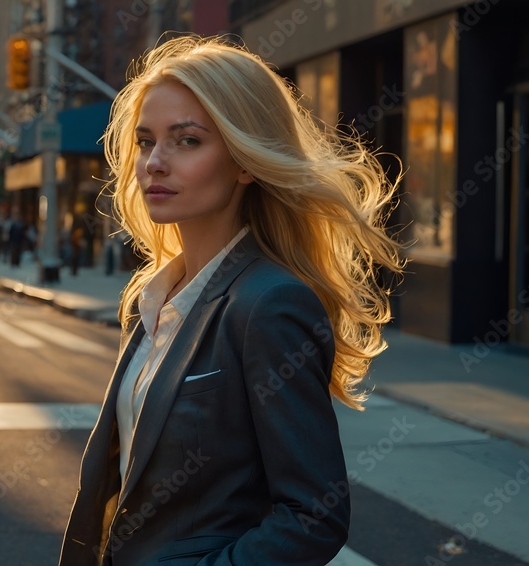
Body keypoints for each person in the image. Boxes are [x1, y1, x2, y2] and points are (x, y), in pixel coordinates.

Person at [59, 35, 401, 565]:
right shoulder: (153, 299)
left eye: (187, 141)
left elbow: (313, 516)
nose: (154, 162)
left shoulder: (271, 303)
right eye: (146, 141)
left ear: (245, 161)